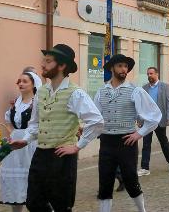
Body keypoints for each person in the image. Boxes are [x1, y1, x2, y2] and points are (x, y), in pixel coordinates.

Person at [10, 43, 104, 212]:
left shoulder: (75, 93)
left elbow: (96, 121)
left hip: (61, 156)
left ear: (62, 66)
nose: (43, 65)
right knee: (33, 202)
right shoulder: (42, 91)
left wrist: (77, 146)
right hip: (40, 153)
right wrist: (25, 140)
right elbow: (35, 123)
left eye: (48, 61)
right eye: (43, 61)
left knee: (62, 205)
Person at [94, 54, 161, 212]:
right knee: (105, 182)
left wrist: (139, 134)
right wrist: (85, 133)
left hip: (127, 141)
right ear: (112, 68)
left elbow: (155, 115)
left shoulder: (135, 90)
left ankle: (141, 210)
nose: (124, 69)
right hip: (106, 142)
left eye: (126, 66)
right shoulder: (101, 92)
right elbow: (96, 118)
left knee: (131, 180)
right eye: (120, 66)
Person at [0, 71, 41, 212]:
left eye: (25, 81)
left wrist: (26, 135)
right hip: (15, 145)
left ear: (33, 84)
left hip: (31, 144)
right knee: (15, 181)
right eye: (19, 81)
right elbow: (8, 120)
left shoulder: (37, 102)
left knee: (32, 181)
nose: (21, 84)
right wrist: (12, 133)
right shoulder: (16, 102)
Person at [139, 67, 169, 176]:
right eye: (148, 74)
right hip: (147, 120)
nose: (149, 75)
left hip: (159, 119)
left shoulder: (165, 87)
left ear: (157, 74)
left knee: (163, 142)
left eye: (151, 73)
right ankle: (145, 168)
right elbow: (140, 105)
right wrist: (139, 119)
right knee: (146, 144)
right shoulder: (144, 88)